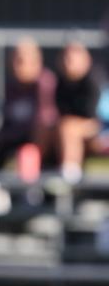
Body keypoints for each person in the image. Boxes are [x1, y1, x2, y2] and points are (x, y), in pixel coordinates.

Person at [0, 38, 58, 175]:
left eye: (20, 61)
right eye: (14, 61)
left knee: (28, 152)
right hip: (15, 140)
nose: (16, 66)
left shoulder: (44, 84)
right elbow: (8, 120)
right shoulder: (11, 87)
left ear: (37, 62)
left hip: (40, 145)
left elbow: (45, 121)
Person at [55, 41, 101, 183]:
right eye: (66, 58)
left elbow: (93, 117)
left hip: (99, 129)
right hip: (70, 131)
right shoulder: (60, 84)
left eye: (72, 59)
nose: (68, 62)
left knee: (69, 128)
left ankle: (70, 176)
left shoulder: (94, 82)